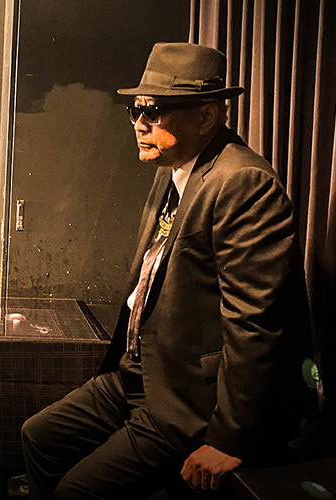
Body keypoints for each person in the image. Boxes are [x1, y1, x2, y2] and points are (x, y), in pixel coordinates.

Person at [21, 42, 313, 499]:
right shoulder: (173, 167)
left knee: (77, 491)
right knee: (38, 436)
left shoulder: (243, 183)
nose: (140, 124)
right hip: (139, 373)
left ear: (206, 116)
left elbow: (256, 326)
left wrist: (228, 439)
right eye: (136, 110)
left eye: (155, 111)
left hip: (189, 399)